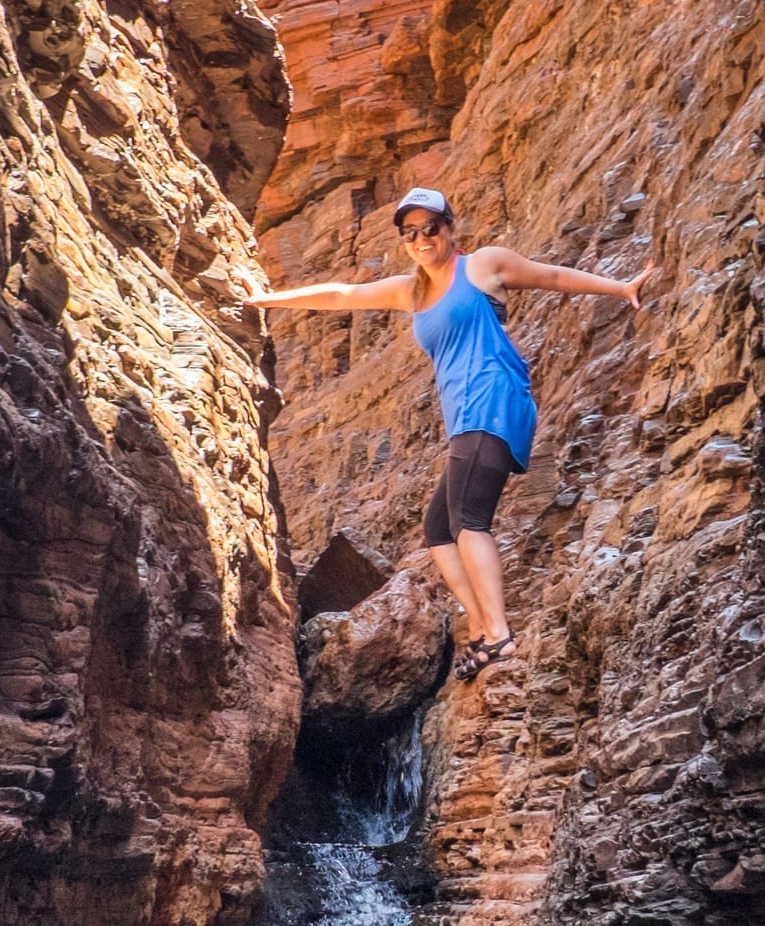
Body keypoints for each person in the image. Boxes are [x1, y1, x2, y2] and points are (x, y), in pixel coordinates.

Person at [247, 187, 651, 680]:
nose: (421, 239)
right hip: (464, 416)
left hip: (495, 399)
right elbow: (343, 294)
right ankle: (481, 624)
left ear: (449, 227)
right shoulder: (410, 290)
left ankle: (498, 633)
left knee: (469, 520)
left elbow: (553, 276)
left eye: (430, 227)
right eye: (409, 232)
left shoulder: (483, 265)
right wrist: (268, 298)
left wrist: (621, 286)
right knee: (439, 528)